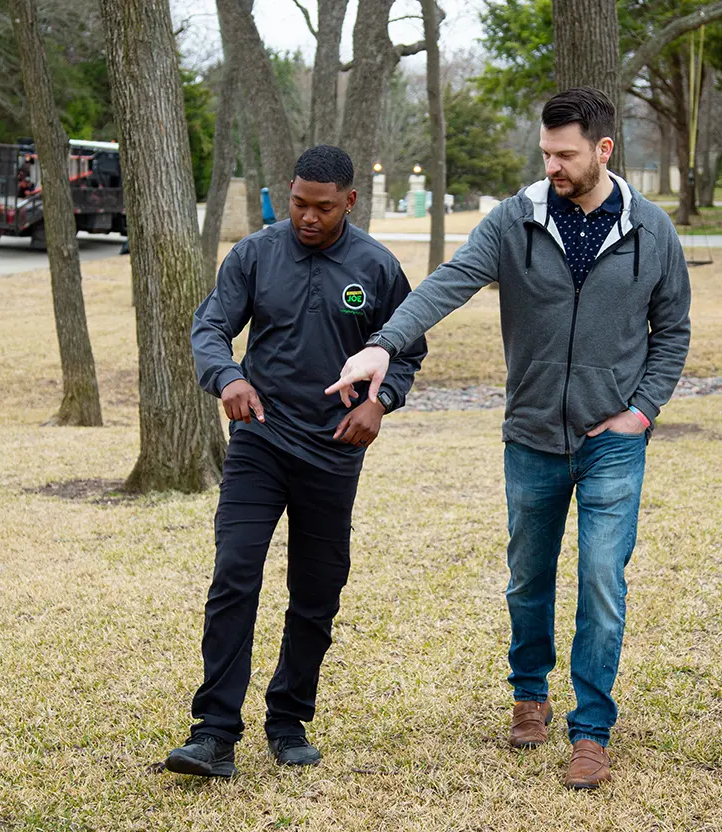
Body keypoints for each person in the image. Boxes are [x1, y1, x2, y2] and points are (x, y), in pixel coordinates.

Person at [326, 88, 691, 789]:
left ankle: (591, 732)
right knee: (529, 578)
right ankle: (530, 693)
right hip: (530, 436)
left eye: (566, 154)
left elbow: (671, 331)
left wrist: (641, 412)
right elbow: (449, 284)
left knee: (603, 584)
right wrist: (382, 345)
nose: (552, 165)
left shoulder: (651, 230)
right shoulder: (513, 220)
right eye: (546, 152)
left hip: (613, 438)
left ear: (603, 150)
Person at [164, 145, 427, 778]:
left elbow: (408, 351)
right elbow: (210, 328)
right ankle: (214, 732)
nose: (308, 217)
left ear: (350, 202)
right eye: (299, 203)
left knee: (316, 592)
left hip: (334, 452)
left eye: (324, 208)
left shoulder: (377, 265)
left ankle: (287, 719)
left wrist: (380, 403)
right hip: (260, 439)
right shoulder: (255, 254)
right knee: (235, 575)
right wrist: (227, 377)